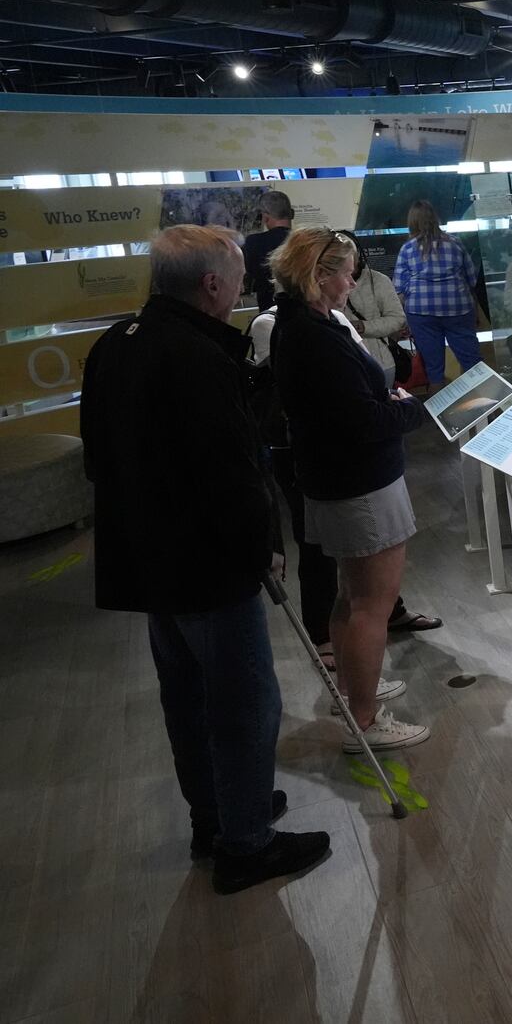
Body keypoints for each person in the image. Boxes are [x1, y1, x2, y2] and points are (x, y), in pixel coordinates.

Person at [80, 225, 330, 895]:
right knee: (246, 701)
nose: (246, 284)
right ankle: (246, 842)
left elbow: (95, 459)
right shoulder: (198, 356)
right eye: (238, 274)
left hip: (147, 562)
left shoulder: (114, 346)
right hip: (208, 565)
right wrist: (265, 549)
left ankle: (218, 814)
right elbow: (232, 474)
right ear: (212, 285)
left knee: (186, 697)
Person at [269, 227, 431, 753]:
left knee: (351, 598)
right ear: (320, 275)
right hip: (358, 485)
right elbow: (361, 420)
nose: (353, 280)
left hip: (340, 481)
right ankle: (364, 717)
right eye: (346, 271)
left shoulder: (302, 325)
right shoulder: (312, 335)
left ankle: (354, 687)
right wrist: (411, 408)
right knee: (370, 606)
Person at [393, 199, 483, 388]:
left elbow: (399, 287)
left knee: (434, 370)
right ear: (435, 219)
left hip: (421, 313)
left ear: (412, 222)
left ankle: (440, 415)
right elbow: (471, 278)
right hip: (458, 309)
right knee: (472, 363)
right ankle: (483, 411)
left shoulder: (407, 249)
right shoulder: (455, 243)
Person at [335, 229, 410, 390]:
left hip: (379, 362)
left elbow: (397, 318)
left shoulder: (378, 281)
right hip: (343, 365)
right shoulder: (325, 284)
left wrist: (363, 326)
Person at [243, 190, 294, 311]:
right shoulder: (305, 241)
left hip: (269, 310)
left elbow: (248, 276)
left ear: (265, 217)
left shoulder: (253, 242)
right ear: (292, 214)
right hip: (304, 311)